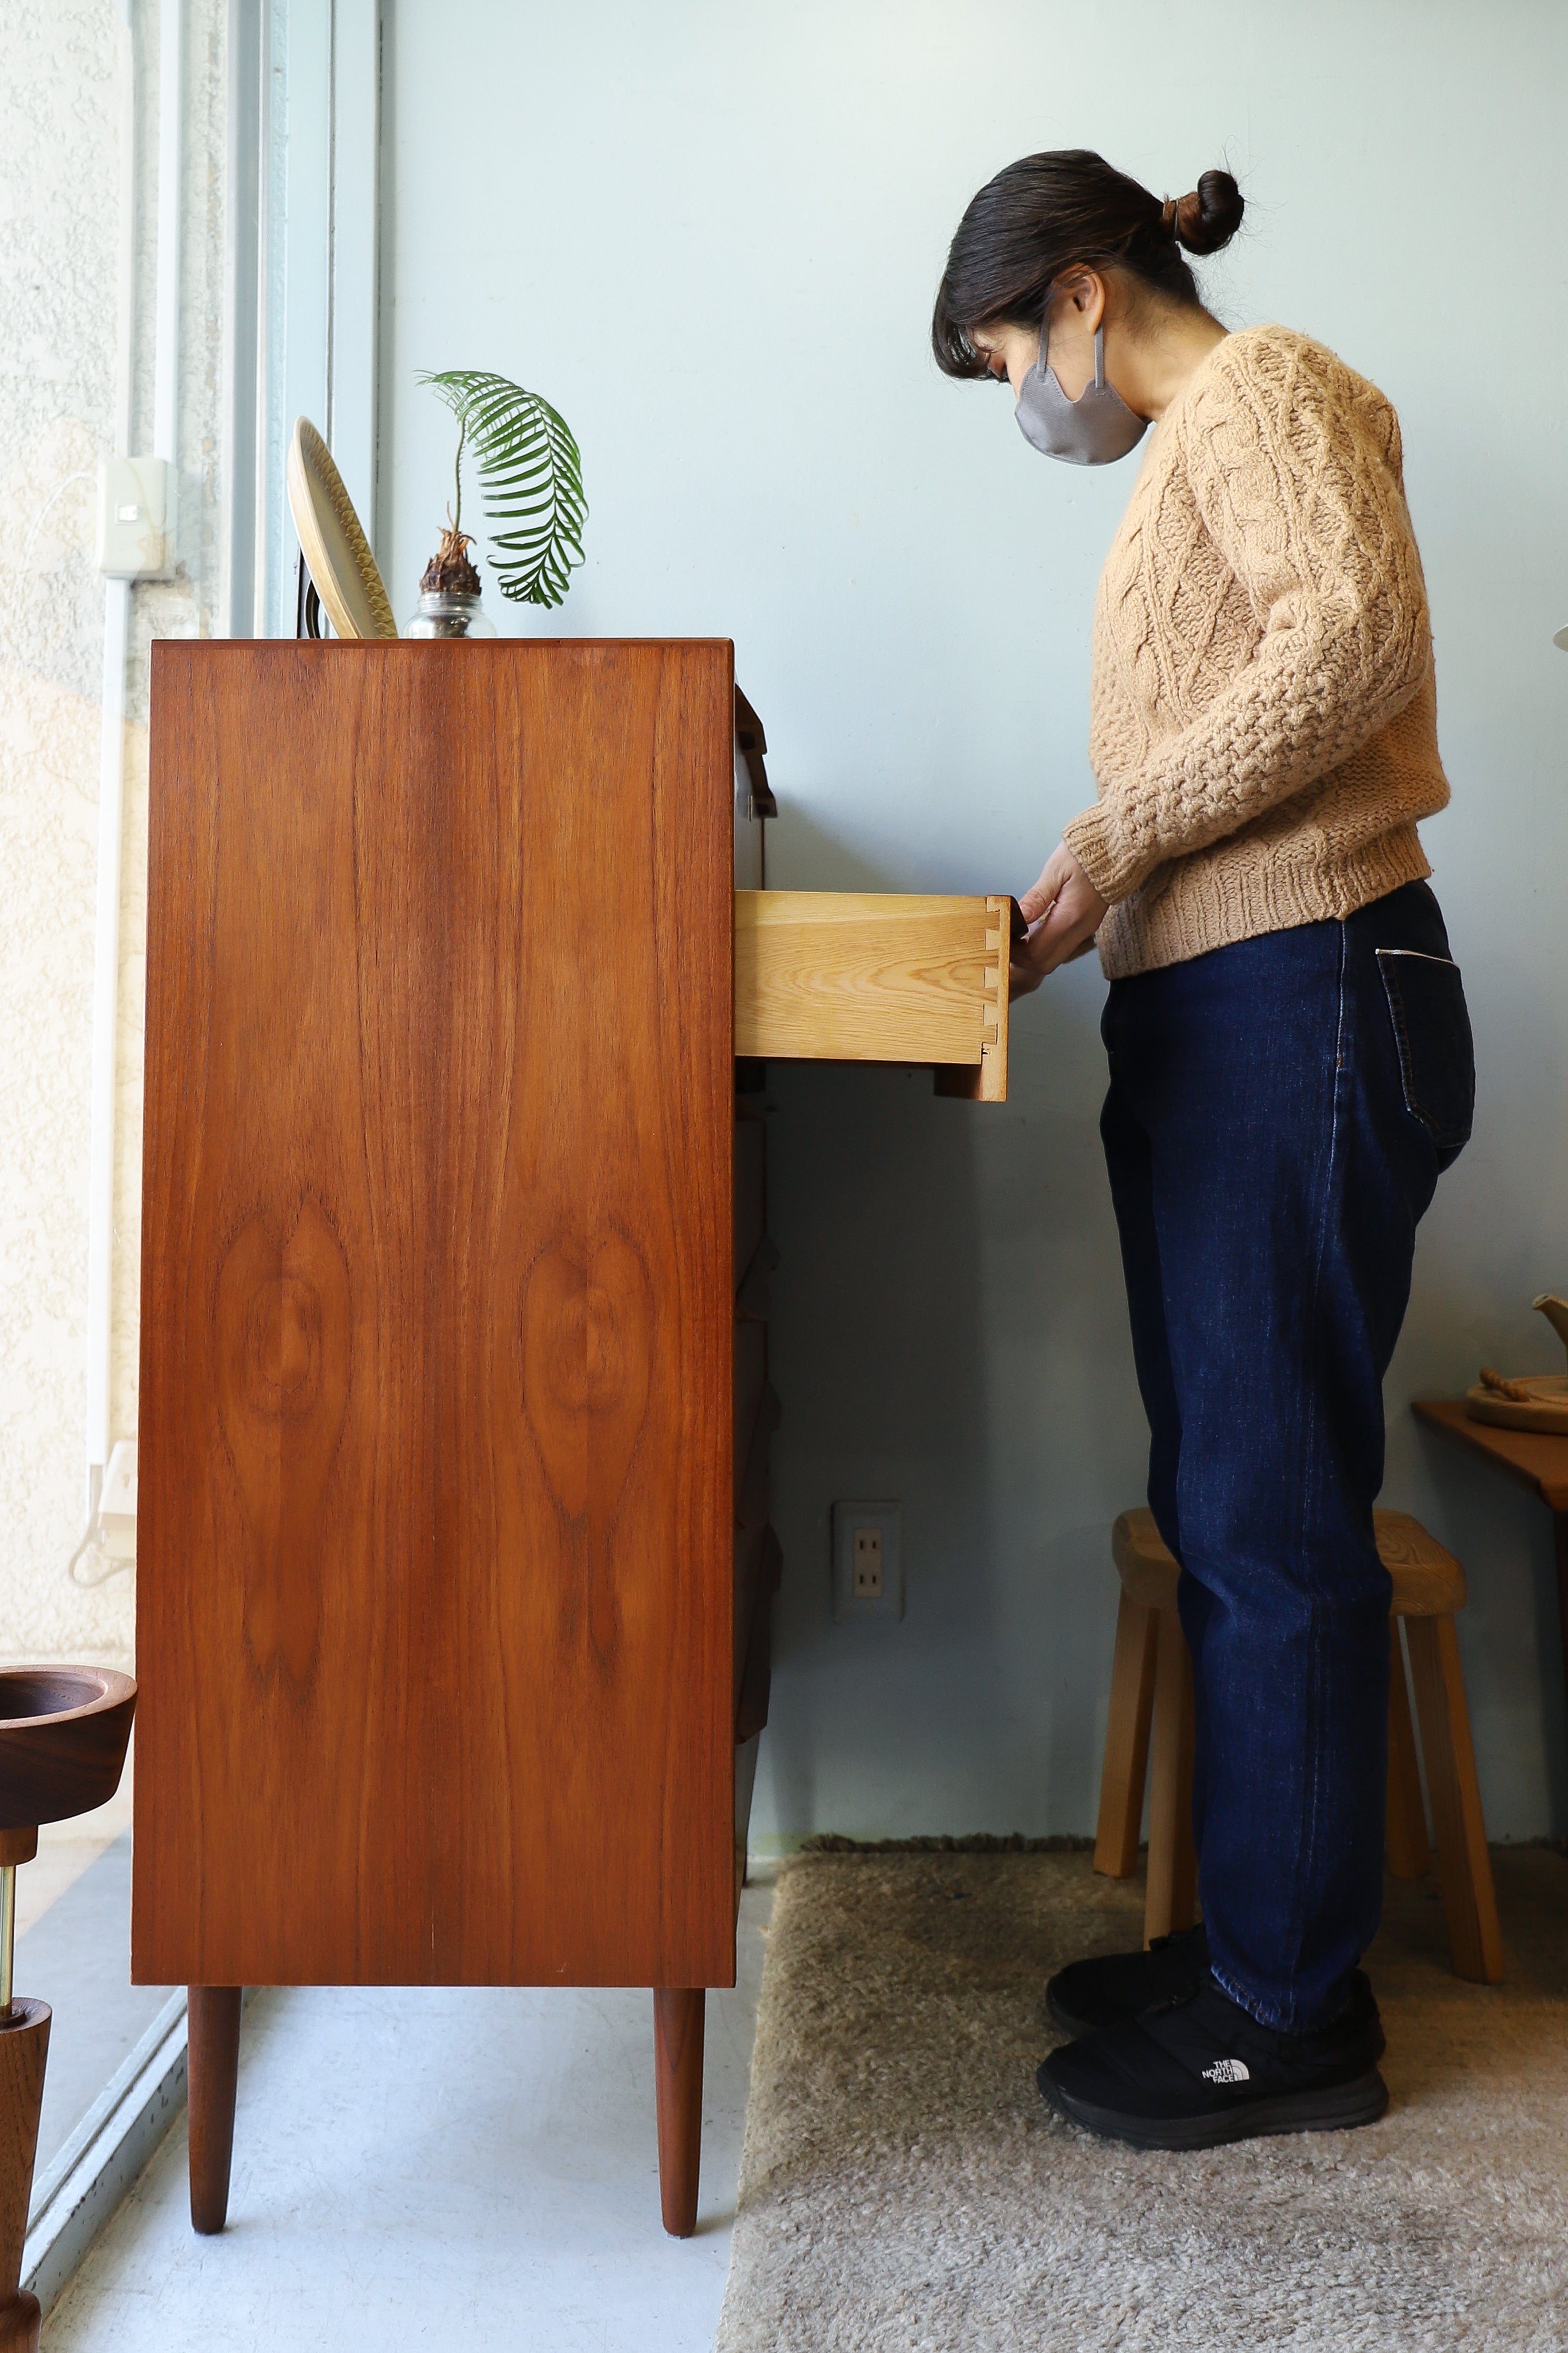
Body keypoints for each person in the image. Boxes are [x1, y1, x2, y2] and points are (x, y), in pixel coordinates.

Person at [933, 151, 1474, 2151]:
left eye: (1006, 354)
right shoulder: (1191, 444)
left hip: (1311, 998)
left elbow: (1349, 649)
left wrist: (1106, 841)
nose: (1021, 402)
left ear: (1079, 293)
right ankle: (1258, 1931)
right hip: (1237, 1002)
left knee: (1267, 1516)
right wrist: (1109, 897)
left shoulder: (1271, 393)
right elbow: (1252, 706)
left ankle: (1294, 2013)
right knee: (1222, 1497)